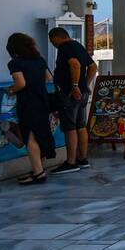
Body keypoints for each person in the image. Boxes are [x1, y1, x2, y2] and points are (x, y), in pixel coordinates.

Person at [5, 33, 56, 185]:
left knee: (31, 138)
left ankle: (39, 173)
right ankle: (36, 170)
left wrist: (12, 90)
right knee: (40, 135)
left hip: (28, 102)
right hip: (42, 100)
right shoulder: (39, 60)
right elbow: (49, 78)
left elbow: (21, 83)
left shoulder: (15, 63)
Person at [48, 27, 97, 174]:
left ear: (58, 37)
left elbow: (74, 64)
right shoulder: (78, 46)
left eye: (52, 41)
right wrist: (85, 85)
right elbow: (93, 67)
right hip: (82, 94)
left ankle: (71, 162)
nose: (52, 44)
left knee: (70, 128)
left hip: (69, 94)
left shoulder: (65, 47)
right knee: (80, 126)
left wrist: (75, 86)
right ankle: (82, 159)